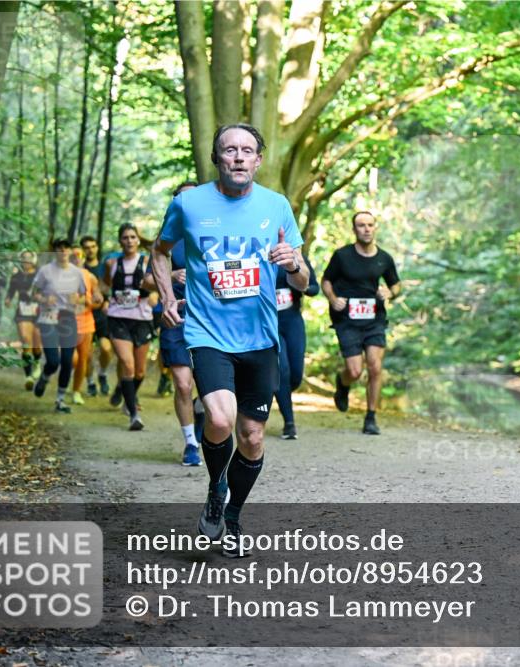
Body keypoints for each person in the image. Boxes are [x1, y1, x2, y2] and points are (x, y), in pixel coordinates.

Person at [153, 123, 308, 557]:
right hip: (208, 333)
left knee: (253, 437)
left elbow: (302, 279)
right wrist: (168, 296)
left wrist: (292, 262)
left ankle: (233, 513)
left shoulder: (276, 207)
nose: (238, 157)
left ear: (258, 160)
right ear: (217, 159)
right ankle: (214, 490)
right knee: (219, 421)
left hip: (260, 338)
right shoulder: (188, 203)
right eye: (229, 150)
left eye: (246, 151)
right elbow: (159, 251)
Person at [322, 211, 401, 435]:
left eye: (369, 225)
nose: (366, 229)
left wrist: (390, 292)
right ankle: (343, 382)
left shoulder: (384, 258)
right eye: (361, 225)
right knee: (355, 371)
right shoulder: (342, 256)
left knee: (375, 366)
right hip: (347, 319)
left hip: (374, 319)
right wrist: (333, 299)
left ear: (375, 228)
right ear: (354, 229)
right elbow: (326, 280)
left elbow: (396, 284)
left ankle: (371, 417)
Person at [144, 180, 202, 466]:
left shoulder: (213, 232)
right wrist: (172, 275)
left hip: (210, 319)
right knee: (182, 384)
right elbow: (146, 279)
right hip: (176, 317)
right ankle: (191, 442)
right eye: (182, 198)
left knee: (208, 386)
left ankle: (202, 412)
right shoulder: (166, 240)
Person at [104, 223, 154, 431]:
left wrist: (154, 294)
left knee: (140, 372)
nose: (130, 241)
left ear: (138, 240)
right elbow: (105, 284)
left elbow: (156, 283)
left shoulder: (146, 261)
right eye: (125, 237)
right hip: (118, 318)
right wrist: (102, 297)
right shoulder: (111, 263)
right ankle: (134, 414)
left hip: (142, 319)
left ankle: (123, 391)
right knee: (128, 364)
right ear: (120, 241)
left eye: (133, 237)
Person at [31, 239, 86, 413]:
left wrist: (77, 300)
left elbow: (84, 297)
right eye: (59, 249)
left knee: (67, 361)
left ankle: (60, 400)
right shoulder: (45, 271)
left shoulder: (77, 273)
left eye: (66, 249)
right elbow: (34, 293)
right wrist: (44, 299)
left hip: (67, 317)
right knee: (53, 361)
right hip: (48, 317)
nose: (63, 252)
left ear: (71, 251)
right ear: (55, 251)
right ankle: (45, 378)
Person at [272, 254, 319, 439]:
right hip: (268, 322)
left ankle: (278, 391)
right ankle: (289, 423)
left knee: (295, 375)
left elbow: (314, 287)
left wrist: (304, 286)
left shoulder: (296, 256)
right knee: (282, 369)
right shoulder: (255, 255)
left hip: (292, 320)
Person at [70, 247, 103, 405]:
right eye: (73, 256)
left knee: (83, 359)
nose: (77, 258)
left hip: (86, 322)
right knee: (72, 359)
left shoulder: (90, 277)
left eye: (79, 255)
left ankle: (76, 391)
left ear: (83, 258)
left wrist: (96, 301)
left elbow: (97, 299)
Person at [80, 235, 113, 396]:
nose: (90, 250)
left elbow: (109, 289)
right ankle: (90, 382)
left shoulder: (103, 268)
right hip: (85, 315)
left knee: (106, 349)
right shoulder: (79, 270)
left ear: (97, 248)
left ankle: (102, 374)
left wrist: (107, 301)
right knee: (87, 353)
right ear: (82, 250)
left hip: (101, 316)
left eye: (93, 246)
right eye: (87, 247)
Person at [5, 250, 43, 390]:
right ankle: (28, 376)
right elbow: (11, 290)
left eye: (28, 258)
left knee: (36, 343)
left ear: (34, 259)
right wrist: (8, 299)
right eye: (23, 258)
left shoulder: (40, 274)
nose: (26, 261)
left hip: (37, 310)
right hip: (22, 310)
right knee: (26, 340)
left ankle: (37, 362)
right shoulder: (17, 275)